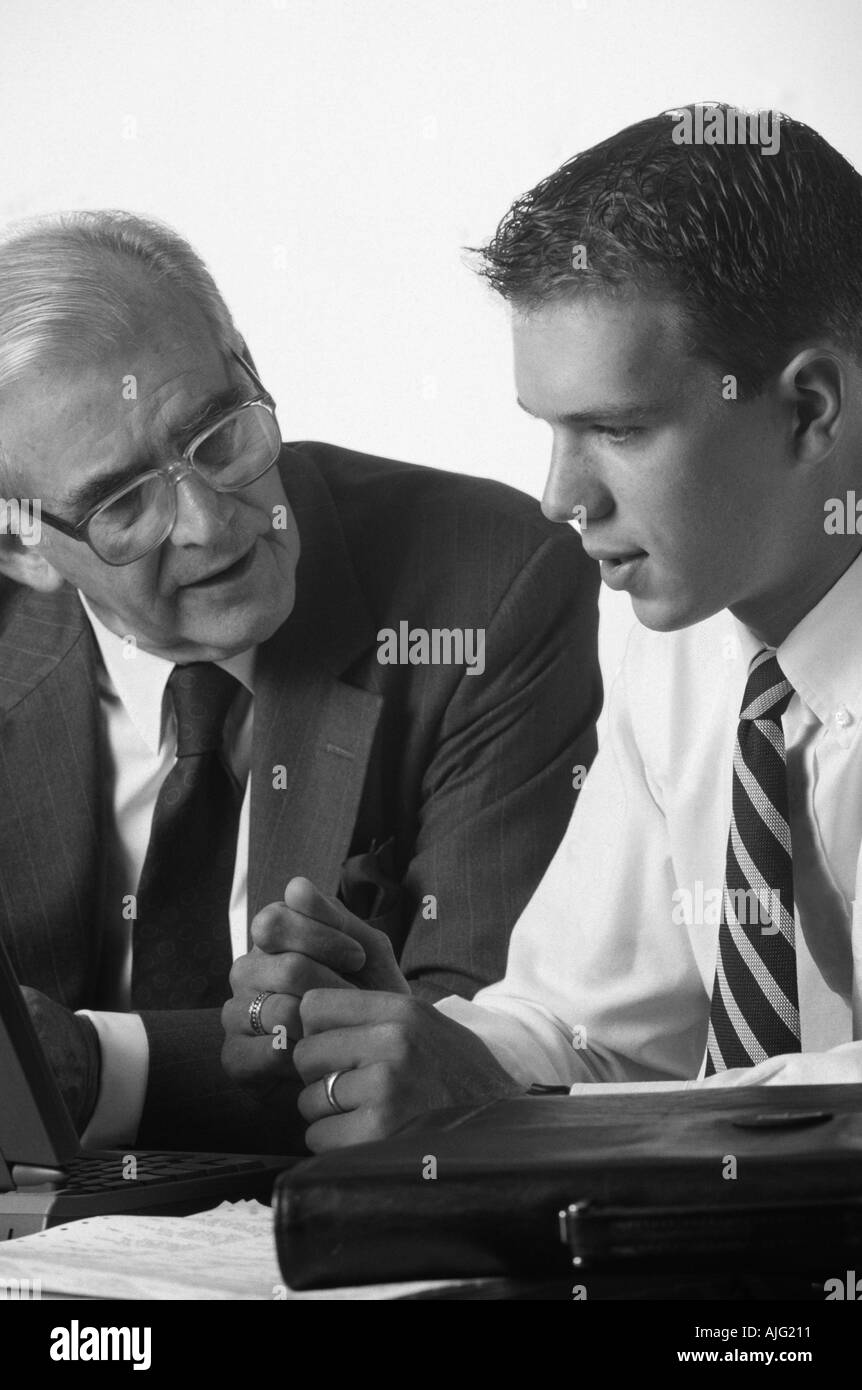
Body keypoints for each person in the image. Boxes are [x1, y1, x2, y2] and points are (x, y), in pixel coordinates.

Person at [223, 103, 862, 1153]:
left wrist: (498, 1106)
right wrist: (432, 1048)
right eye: (552, 431)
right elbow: (586, 1027)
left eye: (615, 429)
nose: (561, 498)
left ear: (807, 409)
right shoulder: (685, 643)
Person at [0, 211, 601, 1152]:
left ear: (248, 366)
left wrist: (90, 1065)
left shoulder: (490, 585)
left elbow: (464, 1047)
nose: (210, 521)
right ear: (22, 546)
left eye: (217, 434)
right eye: (124, 503)